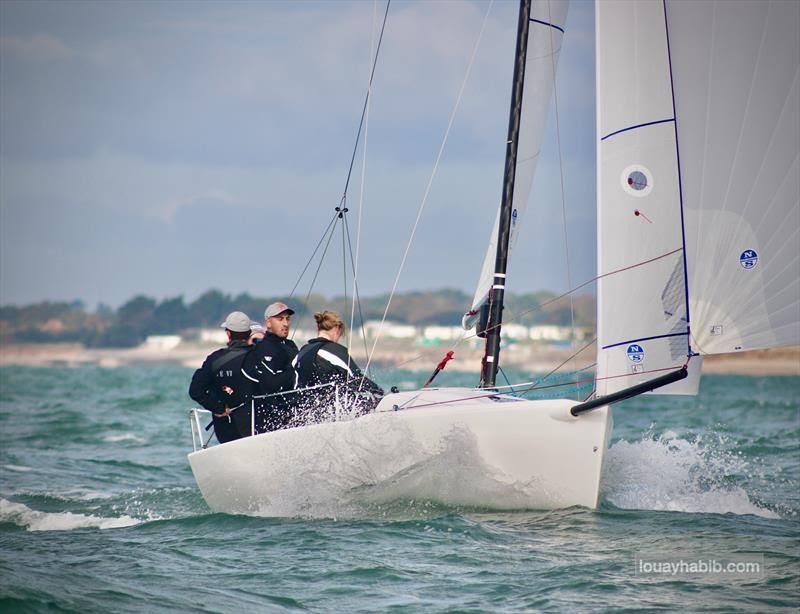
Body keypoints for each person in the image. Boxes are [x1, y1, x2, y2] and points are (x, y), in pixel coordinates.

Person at [293, 310, 383, 424]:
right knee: (372, 403)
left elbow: (295, 385)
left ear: (318, 329)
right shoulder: (333, 350)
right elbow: (356, 379)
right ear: (337, 328)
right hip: (332, 411)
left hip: (306, 412)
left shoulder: (302, 352)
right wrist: (380, 392)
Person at [189, 311, 254, 444]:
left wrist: (218, 408)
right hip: (260, 426)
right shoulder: (260, 355)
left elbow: (195, 390)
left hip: (227, 429)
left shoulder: (215, 359)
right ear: (249, 333)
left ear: (228, 333)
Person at [240, 302, 299, 433]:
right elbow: (271, 384)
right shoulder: (264, 347)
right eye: (280, 319)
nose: (285, 323)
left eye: (287, 319)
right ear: (268, 323)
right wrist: (295, 373)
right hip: (271, 419)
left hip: (293, 412)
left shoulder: (290, 345)